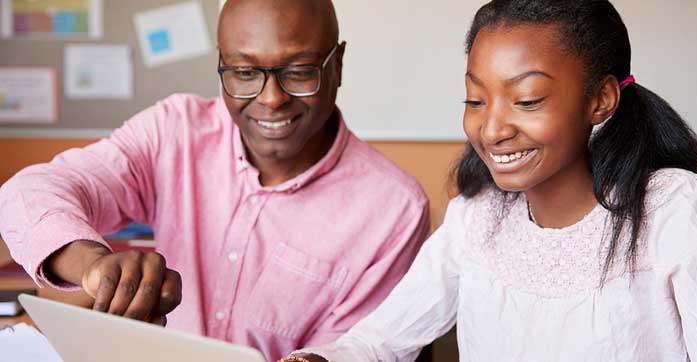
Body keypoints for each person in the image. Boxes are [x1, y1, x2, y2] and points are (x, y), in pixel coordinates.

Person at [283, 0, 697, 361]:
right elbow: (381, 340)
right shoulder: (476, 218)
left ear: (601, 99)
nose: (491, 130)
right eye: (475, 100)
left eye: (527, 100)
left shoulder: (673, 208)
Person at [0, 0, 430, 360]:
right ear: (222, 65)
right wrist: (93, 266)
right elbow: (28, 193)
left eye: (299, 71)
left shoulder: (393, 210)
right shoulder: (174, 130)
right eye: (244, 73)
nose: (271, 98)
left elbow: (352, 353)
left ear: (337, 65)